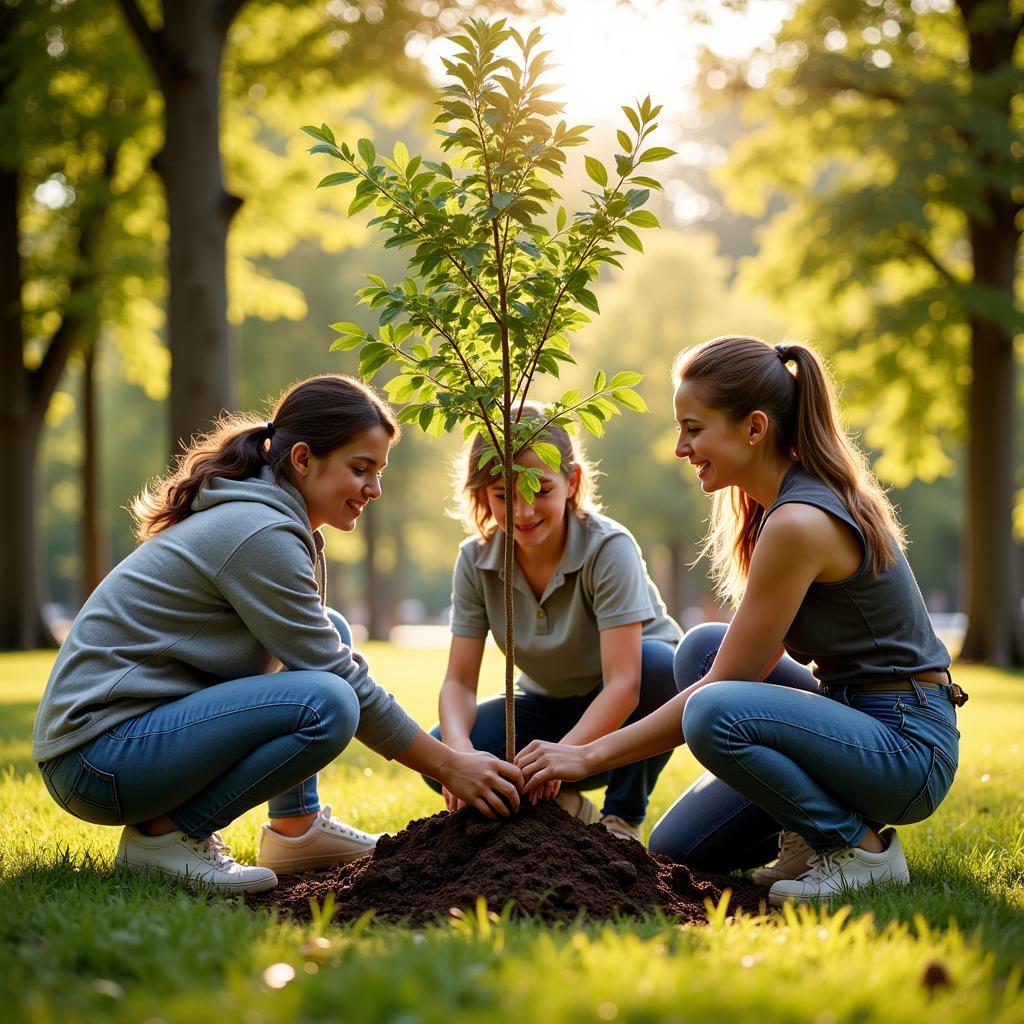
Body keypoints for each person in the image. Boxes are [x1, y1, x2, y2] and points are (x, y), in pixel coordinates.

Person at [515, 336, 965, 904]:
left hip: (906, 745)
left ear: (754, 428)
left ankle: (857, 849)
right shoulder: (776, 506)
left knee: (712, 706)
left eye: (694, 428)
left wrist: (584, 755)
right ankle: (806, 833)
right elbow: (744, 663)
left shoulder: (799, 520)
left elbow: (725, 690)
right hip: (853, 716)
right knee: (684, 839)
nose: (681, 447)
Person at [33, 374, 523, 894]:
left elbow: (314, 646)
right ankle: (165, 838)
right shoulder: (260, 533)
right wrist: (449, 764)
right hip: (96, 758)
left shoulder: (280, 523)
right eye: (360, 469)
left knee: (328, 630)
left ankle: (297, 829)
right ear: (304, 459)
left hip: (122, 744)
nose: (374, 490)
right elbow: (335, 676)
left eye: (378, 473)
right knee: (328, 702)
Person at [425, 403, 682, 841]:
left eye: (540, 490)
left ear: (572, 482)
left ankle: (622, 820)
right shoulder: (475, 558)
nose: (523, 512)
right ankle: (569, 809)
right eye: (504, 496)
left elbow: (625, 683)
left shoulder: (608, 547)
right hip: (549, 705)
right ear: (483, 495)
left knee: (660, 664)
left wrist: (567, 753)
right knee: (442, 753)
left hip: (629, 707)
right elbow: (460, 682)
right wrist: (459, 754)